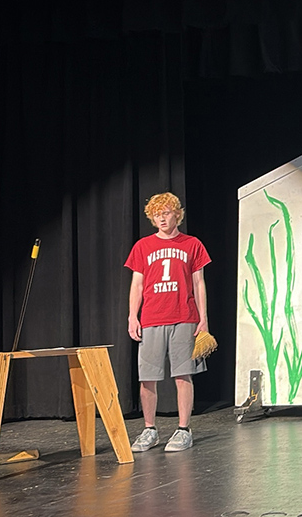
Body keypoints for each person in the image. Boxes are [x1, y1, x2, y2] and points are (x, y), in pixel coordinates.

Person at [125, 192, 211, 453]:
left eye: (166, 212)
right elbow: (137, 284)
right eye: (156, 214)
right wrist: (132, 316)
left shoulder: (192, 244)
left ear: (177, 214)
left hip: (184, 316)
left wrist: (203, 318)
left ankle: (184, 430)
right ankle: (150, 429)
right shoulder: (142, 246)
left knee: (183, 375)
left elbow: (199, 283)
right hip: (151, 318)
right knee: (147, 377)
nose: (161, 218)